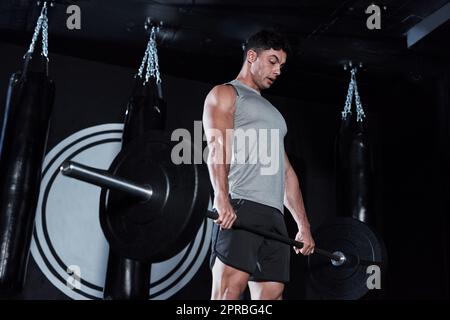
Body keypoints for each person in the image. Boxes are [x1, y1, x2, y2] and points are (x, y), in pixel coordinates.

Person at [202, 30, 315, 300]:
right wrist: (221, 197)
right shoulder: (226, 93)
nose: (277, 71)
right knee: (229, 292)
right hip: (242, 205)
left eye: (282, 66)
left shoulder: (273, 114)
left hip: (275, 216)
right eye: (272, 61)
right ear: (252, 56)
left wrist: (303, 225)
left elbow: (286, 172)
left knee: (272, 295)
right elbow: (217, 146)